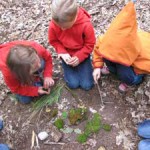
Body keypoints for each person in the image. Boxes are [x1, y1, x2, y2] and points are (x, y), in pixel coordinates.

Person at [92, 2, 150, 92]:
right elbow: (99, 48)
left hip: (134, 68)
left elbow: (145, 68)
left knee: (125, 73)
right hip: (123, 60)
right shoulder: (110, 39)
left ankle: (128, 81)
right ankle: (113, 69)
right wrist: (97, 66)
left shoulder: (144, 53)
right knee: (106, 55)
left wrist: (136, 70)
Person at [48, 0, 95, 90]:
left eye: (65, 27)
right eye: (59, 26)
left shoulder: (85, 24)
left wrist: (79, 57)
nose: (62, 29)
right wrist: (62, 52)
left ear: (74, 18)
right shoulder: (54, 24)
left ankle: (83, 67)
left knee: (87, 85)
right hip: (66, 55)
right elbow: (54, 41)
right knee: (73, 84)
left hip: (82, 53)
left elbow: (90, 44)